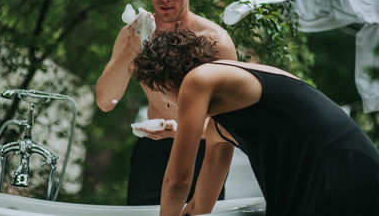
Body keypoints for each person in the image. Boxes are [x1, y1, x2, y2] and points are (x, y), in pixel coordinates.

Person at [133, 28, 379, 216]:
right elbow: (200, 207)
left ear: (163, 82)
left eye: (159, 94)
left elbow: (177, 181)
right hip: (337, 172)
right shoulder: (221, 126)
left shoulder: (198, 79)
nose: (167, 105)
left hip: (339, 172)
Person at [95, 0, 237, 205]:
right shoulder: (131, 34)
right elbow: (106, 101)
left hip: (203, 152)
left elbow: (230, 124)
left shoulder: (216, 42)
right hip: (152, 152)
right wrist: (132, 45)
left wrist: (180, 129)